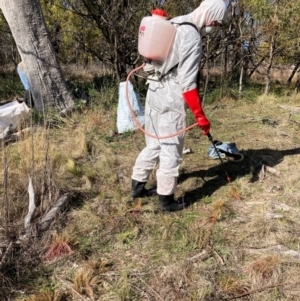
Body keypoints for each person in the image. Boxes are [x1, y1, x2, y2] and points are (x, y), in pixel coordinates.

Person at [131, 0, 228, 211]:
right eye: (218, 22)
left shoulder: (175, 21)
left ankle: (137, 187)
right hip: (170, 97)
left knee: (154, 143)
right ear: (211, 14)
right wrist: (200, 115)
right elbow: (187, 83)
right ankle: (166, 201)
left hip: (153, 91)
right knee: (171, 149)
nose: (216, 27)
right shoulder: (192, 36)